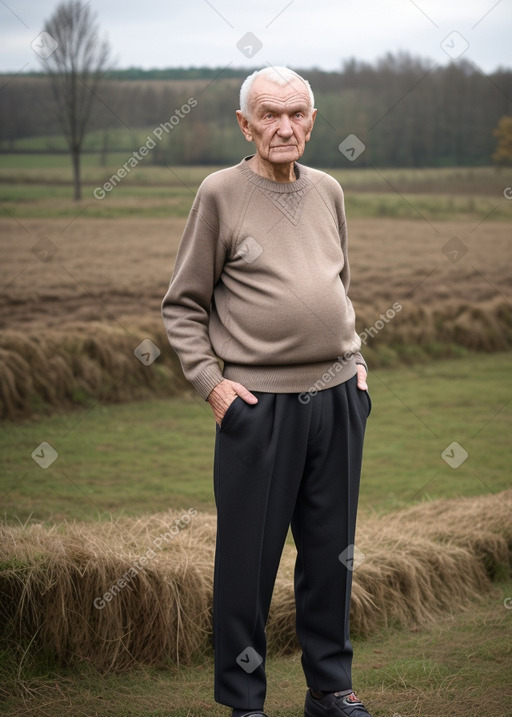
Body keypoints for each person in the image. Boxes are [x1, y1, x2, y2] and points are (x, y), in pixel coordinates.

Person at [161, 66, 373, 717]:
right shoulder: (220, 193)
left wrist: (358, 361)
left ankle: (330, 689)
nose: (285, 127)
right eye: (270, 114)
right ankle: (245, 701)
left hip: (339, 399)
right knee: (247, 564)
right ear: (245, 123)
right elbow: (182, 307)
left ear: (312, 119)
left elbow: (339, 284)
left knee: (331, 553)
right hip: (258, 408)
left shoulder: (329, 190)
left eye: (297, 114)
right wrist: (212, 386)